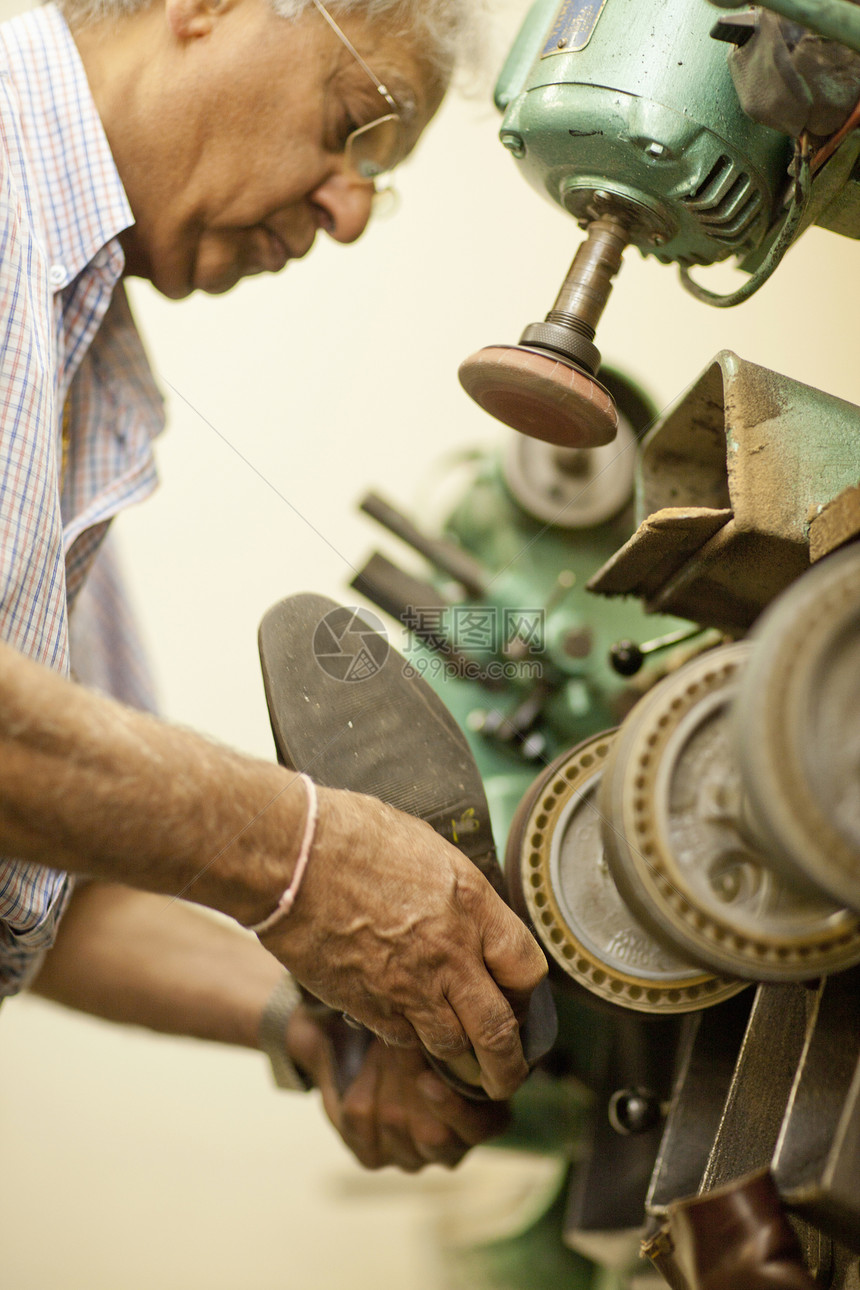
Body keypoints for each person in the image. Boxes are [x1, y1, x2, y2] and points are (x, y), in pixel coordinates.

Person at [0, 0, 547, 1172]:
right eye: (354, 126)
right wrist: (307, 863)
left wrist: (319, 1015)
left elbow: (55, 873)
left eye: (377, 177)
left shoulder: (77, 356)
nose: (347, 213)